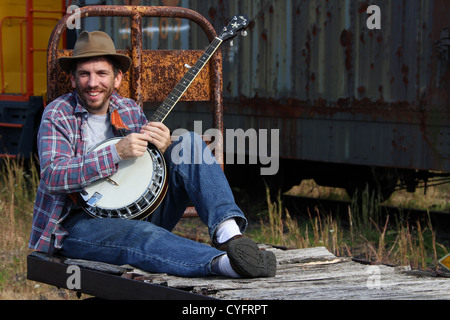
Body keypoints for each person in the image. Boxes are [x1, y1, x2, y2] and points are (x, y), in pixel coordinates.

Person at [29, 30, 276, 279]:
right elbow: (52, 175)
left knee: (187, 142)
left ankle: (229, 233)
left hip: (142, 210)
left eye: (101, 73)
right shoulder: (58, 114)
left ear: (117, 79)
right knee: (141, 234)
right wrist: (115, 152)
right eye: (84, 74)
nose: (93, 83)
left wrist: (165, 146)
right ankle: (226, 264)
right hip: (80, 225)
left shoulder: (128, 109)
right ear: (73, 80)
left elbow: (146, 165)